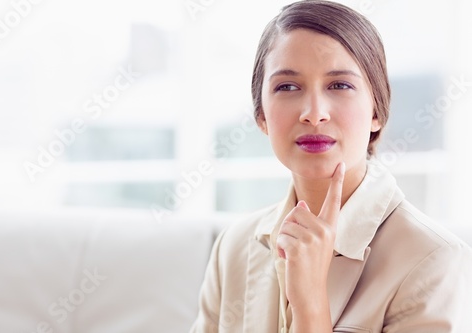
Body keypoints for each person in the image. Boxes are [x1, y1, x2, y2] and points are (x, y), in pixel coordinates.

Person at [190, 1, 472, 332]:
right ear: (261, 116)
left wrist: (310, 306)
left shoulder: (432, 258)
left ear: (377, 112)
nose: (314, 112)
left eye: (339, 85)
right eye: (287, 87)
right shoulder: (234, 247)